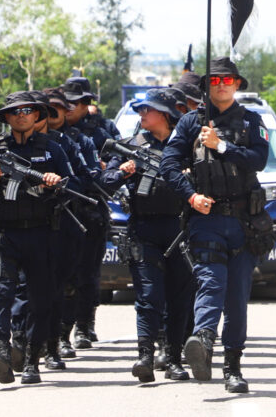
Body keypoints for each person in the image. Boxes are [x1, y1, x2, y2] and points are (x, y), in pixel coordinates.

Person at [160, 57, 269, 394]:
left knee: (236, 297)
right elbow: (168, 165)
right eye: (215, 80)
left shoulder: (252, 121)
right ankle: (203, 340)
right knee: (210, 282)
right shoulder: (190, 122)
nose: (221, 85)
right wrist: (191, 196)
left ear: (236, 84)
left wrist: (220, 146)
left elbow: (259, 160)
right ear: (207, 86)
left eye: (227, 80)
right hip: (206, 219)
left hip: (244, 221)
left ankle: (232, 367)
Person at [0, 91, 72, 385]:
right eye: (15, 111)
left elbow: (73, 186)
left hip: (41, 234)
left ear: (37, 115)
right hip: (5, 235)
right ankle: (2, 352)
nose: (21, 116)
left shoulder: (52, 150)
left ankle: (31, 360)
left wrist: (55, 183)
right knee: (1, 293)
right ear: (7, 117)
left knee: (40, 301)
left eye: (27, 110)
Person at [101, 89, 195, 382]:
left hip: (179, 229)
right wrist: (123, 173)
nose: (142, 115)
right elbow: (103, 181)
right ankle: (145, 356)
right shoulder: (132, 146)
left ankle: (174, 358)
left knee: (179, 297)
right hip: (144, 229)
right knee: (148, 295)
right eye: (140, 110)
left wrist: (190, 176)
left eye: (147, 110)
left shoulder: (185, 147)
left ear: (165, 115)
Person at [45, 88, 103, 357]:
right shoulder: (24, 141)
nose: (54, 113)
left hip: (73, 216)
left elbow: (90, 177)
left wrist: (63, 182)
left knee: (74, 279)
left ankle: (66, 333)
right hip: (35, 222)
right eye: (49, 108)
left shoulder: (79, 141)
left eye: (59, 107)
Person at [61, 76, 111, 348]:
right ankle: (61, 332)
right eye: (66, 102)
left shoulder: (101, 131)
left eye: (76, 103)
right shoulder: (51, 129)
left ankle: (84, 325)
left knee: (88, 273)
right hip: (62, 211)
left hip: (91, 210)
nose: (69, 108)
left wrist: (106, 168)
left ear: (86, 104)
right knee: (64, 275)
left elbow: (116, 163)